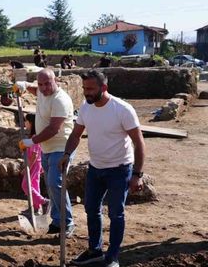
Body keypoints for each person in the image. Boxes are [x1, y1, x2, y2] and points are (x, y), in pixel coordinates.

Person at [60, 70, 146, 267]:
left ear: (104, 88)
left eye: (90, 89)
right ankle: (95, 250)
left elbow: (139, 143)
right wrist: (66, 154)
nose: (86, 93)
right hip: (95, 168)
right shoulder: (85, 108)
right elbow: (75, 135)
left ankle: (112, 256)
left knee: (116, 213)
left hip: (120, 169)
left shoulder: (122, 109)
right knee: (91, 209)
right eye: (84, 88)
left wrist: (137, 174)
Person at [14, 68, 75, 236]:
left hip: (62, 148)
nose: (44, 87)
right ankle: (57, 220)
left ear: (55, 81)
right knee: (50, 184)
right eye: (40, 84)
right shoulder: (42, 91)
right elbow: (35, 90)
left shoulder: (60, 100)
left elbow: (54, 129)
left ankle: (67, 223)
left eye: (47, 83)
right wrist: (25, 85)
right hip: (46, 148)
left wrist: (31, 141)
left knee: (56, 183)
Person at [20, 113, 50, 215]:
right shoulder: (33, 136)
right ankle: (37, 207)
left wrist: (27, 168)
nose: (24, 123)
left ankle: (44, 201)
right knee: (34, 185)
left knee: (26, 185)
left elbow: (34, 155)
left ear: (31, 122)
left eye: (26, 121)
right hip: (35, 164)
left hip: (33, 164)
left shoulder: (35, 137)